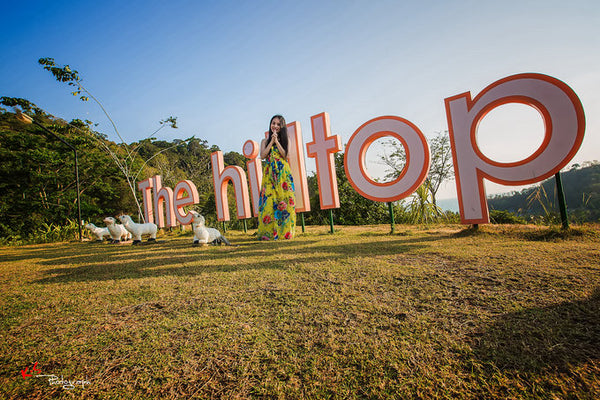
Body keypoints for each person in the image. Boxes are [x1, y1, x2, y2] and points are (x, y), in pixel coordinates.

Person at [257, 115, 296, 240]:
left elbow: (286, 155)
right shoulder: (264, 141)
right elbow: (262, 155)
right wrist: (271, 142)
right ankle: (268, 233)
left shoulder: (286, 140)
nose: (275, 126)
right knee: (268, 202)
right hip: (269, 173)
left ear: (282, 127)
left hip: (282, 173)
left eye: (278, 124)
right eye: (273, 123)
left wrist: (277, 142)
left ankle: (284, 233)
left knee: (283, 200)